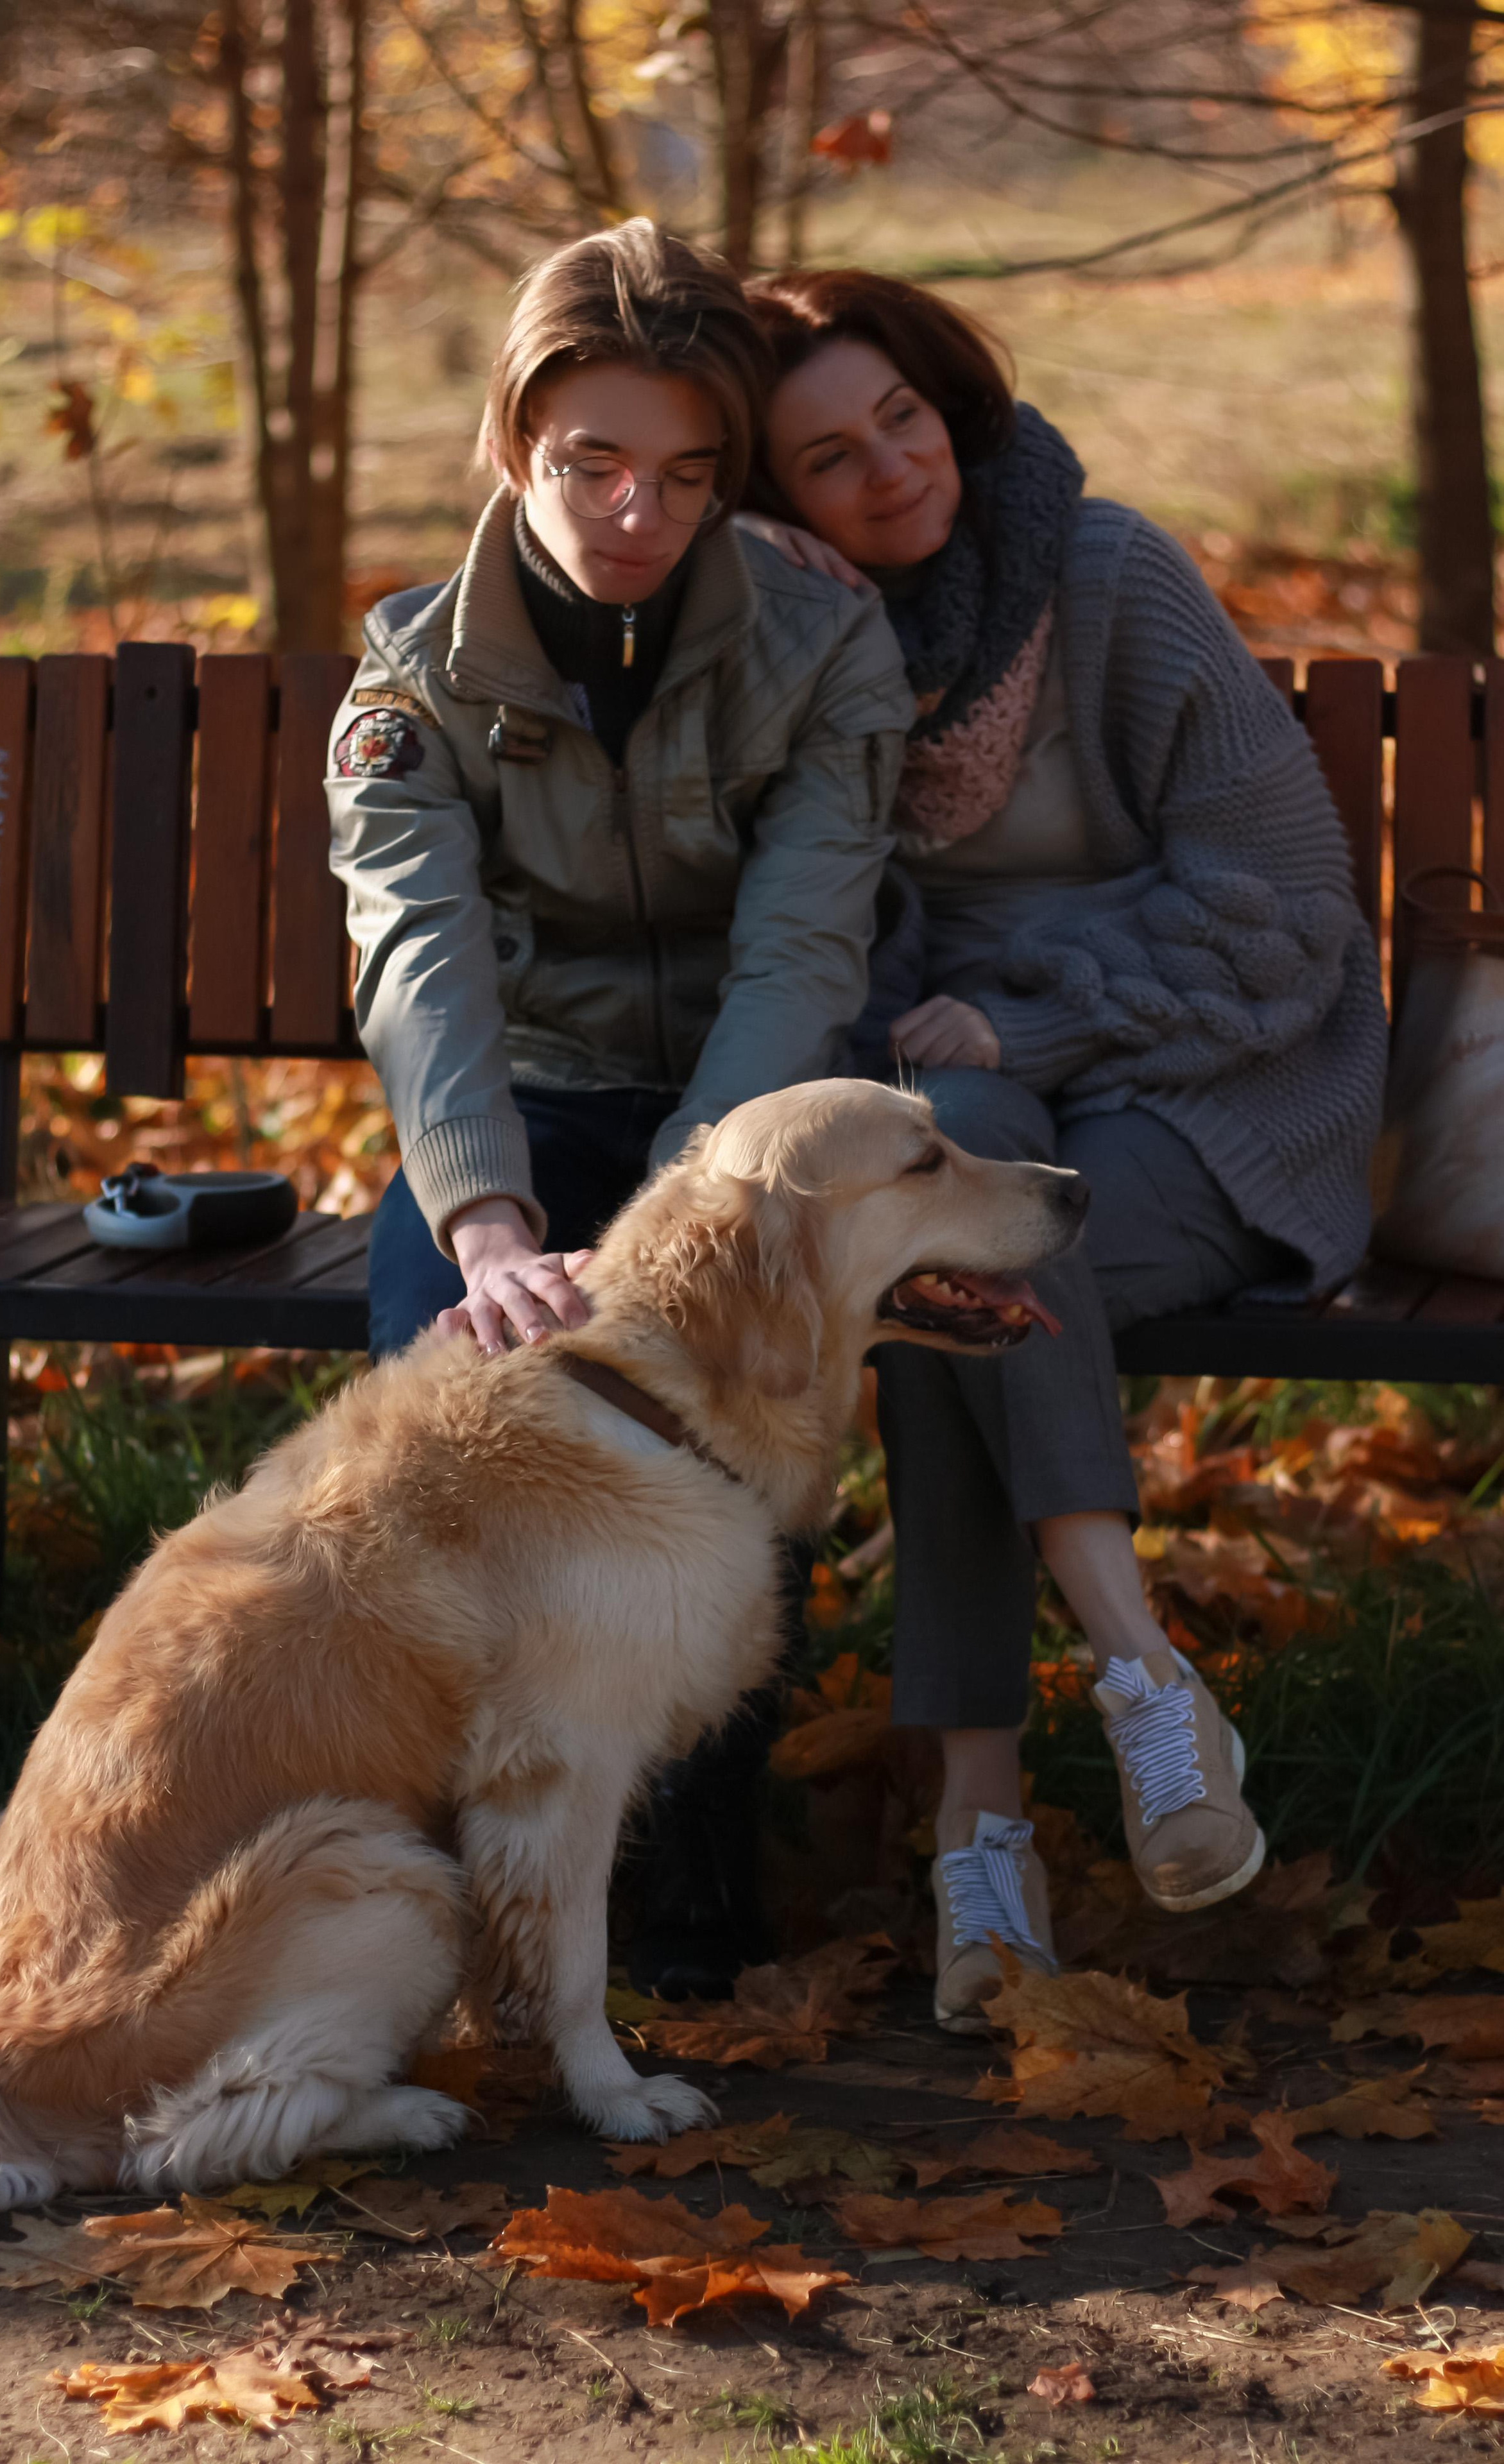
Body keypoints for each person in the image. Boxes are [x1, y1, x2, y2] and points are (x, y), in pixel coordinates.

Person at [739, 268, 1387, 2031]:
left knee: (957, 1283)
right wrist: (811, 667)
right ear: (778, 506)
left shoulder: (1111, 577)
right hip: (977, 1104)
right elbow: (829, 958)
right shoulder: (810, 650)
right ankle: (1147, 1689)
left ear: (947, 403)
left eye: (901, 418)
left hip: (1217, 1087)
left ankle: (989, 1824)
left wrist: (1031, 1010)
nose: (890, 468)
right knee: (950, 1236)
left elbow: (1282, 908)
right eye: (828, 459)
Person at [326, 220, 914, 2001]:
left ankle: (693, 1891)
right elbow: (419, 956)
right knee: (443, 1391)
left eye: (686, 471)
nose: (637, 510)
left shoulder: (825, 648)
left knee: (731, 1388)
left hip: (742, 1122)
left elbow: (801, 953)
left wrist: (677, 1227)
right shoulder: (414, 676)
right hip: (526, 1111)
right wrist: (487, 1221)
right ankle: (419, 1875)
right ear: (516, 440)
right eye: (593, 461)